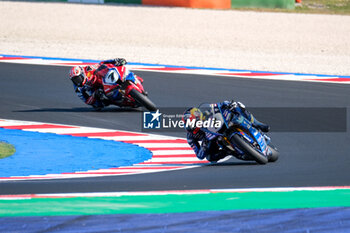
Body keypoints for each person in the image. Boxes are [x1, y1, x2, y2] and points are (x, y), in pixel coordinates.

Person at [183, 100, 270, 163]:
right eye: (189, 124)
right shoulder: (190, 137)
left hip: (220, 124)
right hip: (213, 139)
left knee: (238, 107)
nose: (192, 125)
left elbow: (218, 105)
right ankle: (231, 151)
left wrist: (227, 104)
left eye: (193, 122)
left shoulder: (206, 112)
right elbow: (199, 155)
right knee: (210, 157)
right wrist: (205, 145)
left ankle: (257, 124)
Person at [68, 58, 138, 110]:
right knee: (99, 105)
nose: (77, 81)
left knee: (117, 70)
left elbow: (102, 63)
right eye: (74, 80)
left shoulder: (88, 69)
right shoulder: (78, 89)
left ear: (82, 74)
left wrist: (115, 60)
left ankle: (132, 79)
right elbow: (87, 101)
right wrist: (94, 95)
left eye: (78, 78)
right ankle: (118, 101)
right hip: (97, 91)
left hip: (103, 79)